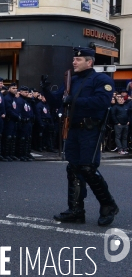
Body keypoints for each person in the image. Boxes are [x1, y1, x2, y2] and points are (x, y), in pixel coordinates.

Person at [42, 47, 119, 226]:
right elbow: (56, 101)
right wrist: (45, 89)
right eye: (74, 60)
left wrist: (75, 101)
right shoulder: (71, 80)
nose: (74, 62)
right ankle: (76, 211)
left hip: (90, 129)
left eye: (78, 60)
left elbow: (102, 101)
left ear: (89, 62)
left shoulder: (101, 80)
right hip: (73, 129)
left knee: (87, 168)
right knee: (74, 168)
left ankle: (108, 205)